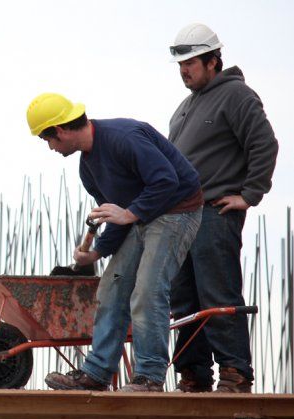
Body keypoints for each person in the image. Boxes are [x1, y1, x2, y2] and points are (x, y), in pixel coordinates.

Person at [27, 93, 203, 392]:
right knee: (113, 286)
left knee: (147, 290)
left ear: (60, 130)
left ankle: (149, 376)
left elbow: (166, 180)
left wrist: (130, 213)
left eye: (49, 139)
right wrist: (96, 252)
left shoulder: (124, 137)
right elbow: (116, 216)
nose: (50, 148)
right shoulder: (88, 168)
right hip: (143, 218)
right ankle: (96, 374)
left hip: (176, 212)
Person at [167, 23, 278, 393]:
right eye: (180, 63)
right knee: (183, 296)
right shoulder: (184, 108)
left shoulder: (236, 95)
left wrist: (249, 194)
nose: (185, 69)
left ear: (213, 60)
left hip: (215, 212)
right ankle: (193, 373)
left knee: (218, 292)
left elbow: (264, 144)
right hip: (181, 216)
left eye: (192, 62)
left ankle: (234, 372)